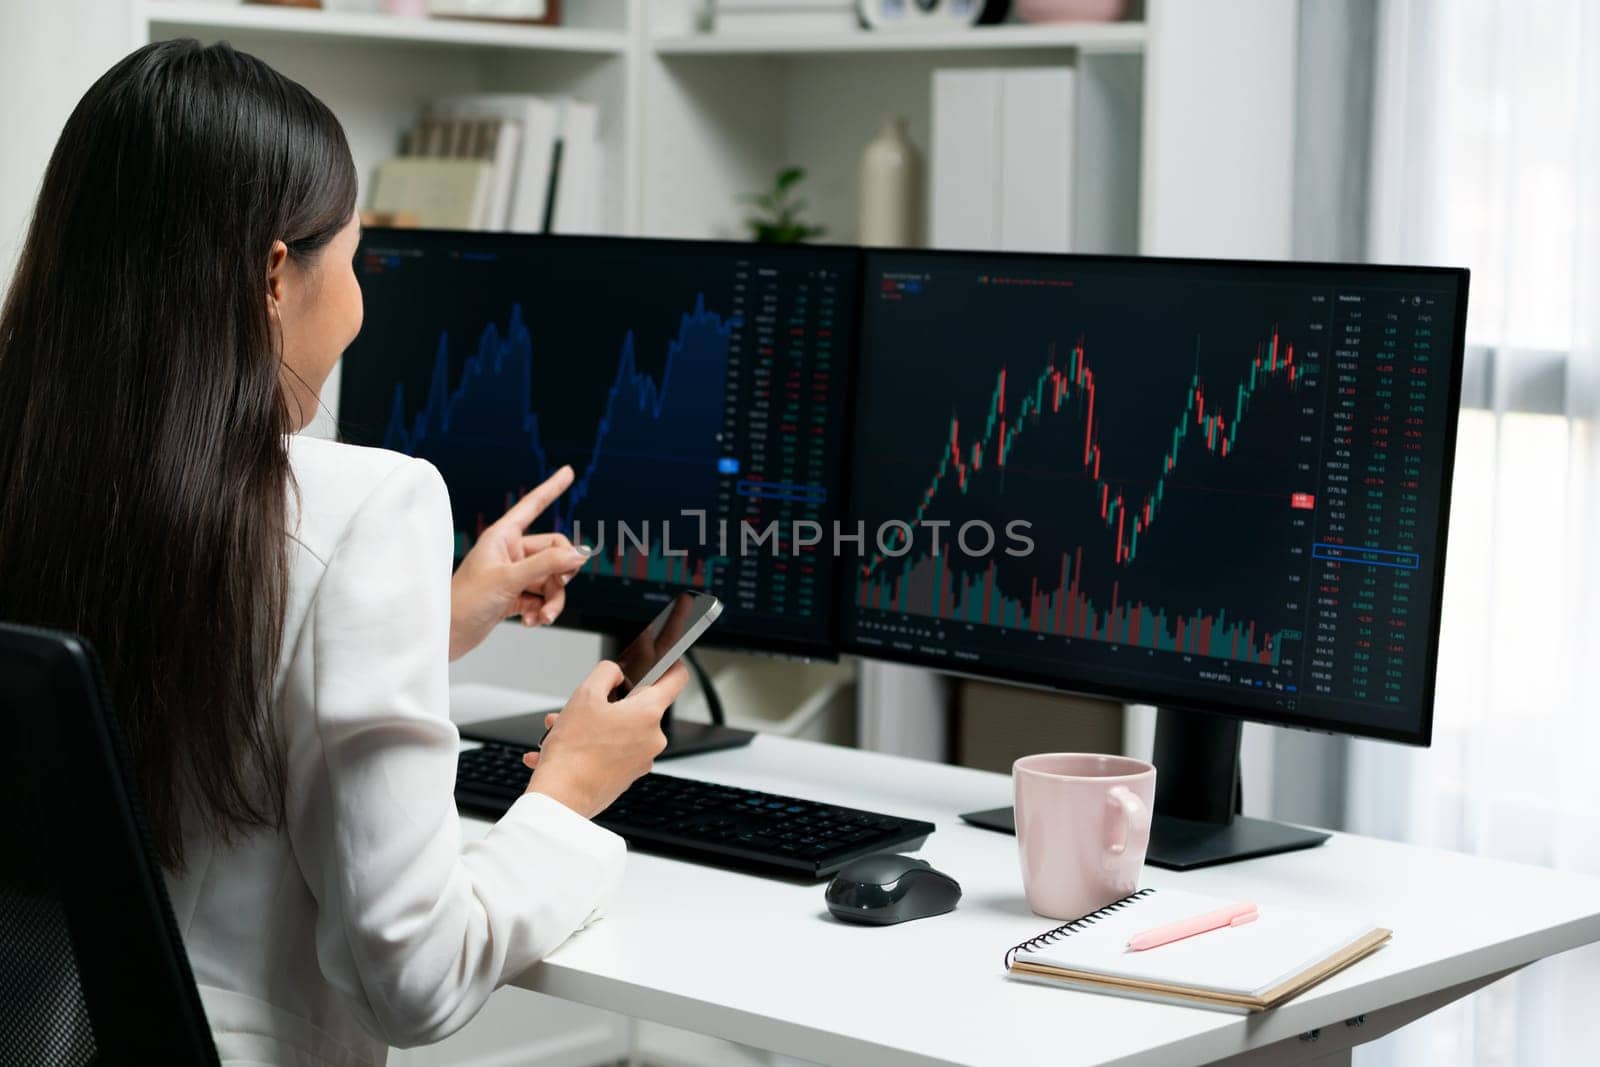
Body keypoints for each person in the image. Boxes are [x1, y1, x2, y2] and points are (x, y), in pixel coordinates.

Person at [0, 38, 686, 1065]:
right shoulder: (368, 503)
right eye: (355, 258)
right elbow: (412, 977)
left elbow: (129, 686)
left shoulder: (35, 475)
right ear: (276, 275)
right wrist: (568, 791)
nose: (360, 303)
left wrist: (423, 622)